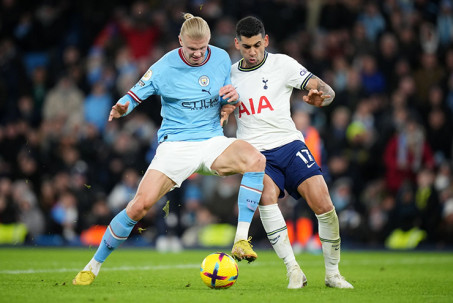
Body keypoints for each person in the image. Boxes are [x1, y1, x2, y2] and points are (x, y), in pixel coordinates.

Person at [72, 13, 265, 285]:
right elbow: (136, 92)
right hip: (175, 146)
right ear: (179, 42)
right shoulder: (164, 67)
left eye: (202, 48)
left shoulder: (221, 57)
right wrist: (123, 106)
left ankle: (241, 240)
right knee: (139, 206)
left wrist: (231, 99)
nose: (198, 54)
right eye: (191, 49)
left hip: (211, 141)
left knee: (256, 159)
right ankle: (93, 266)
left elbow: (228, 91)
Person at [226, 16, 353, 289]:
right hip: (256, 153)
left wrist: (324, 98)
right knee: (266, 196)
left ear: (266, 41)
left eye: (257, 45)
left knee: (324, 204)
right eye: (246, 46)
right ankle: (293, 269)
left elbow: (325, 89)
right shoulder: (229, 74)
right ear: (237, 44)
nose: (252, 51)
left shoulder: (283, 64)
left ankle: (333, 273)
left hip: (290, 144)